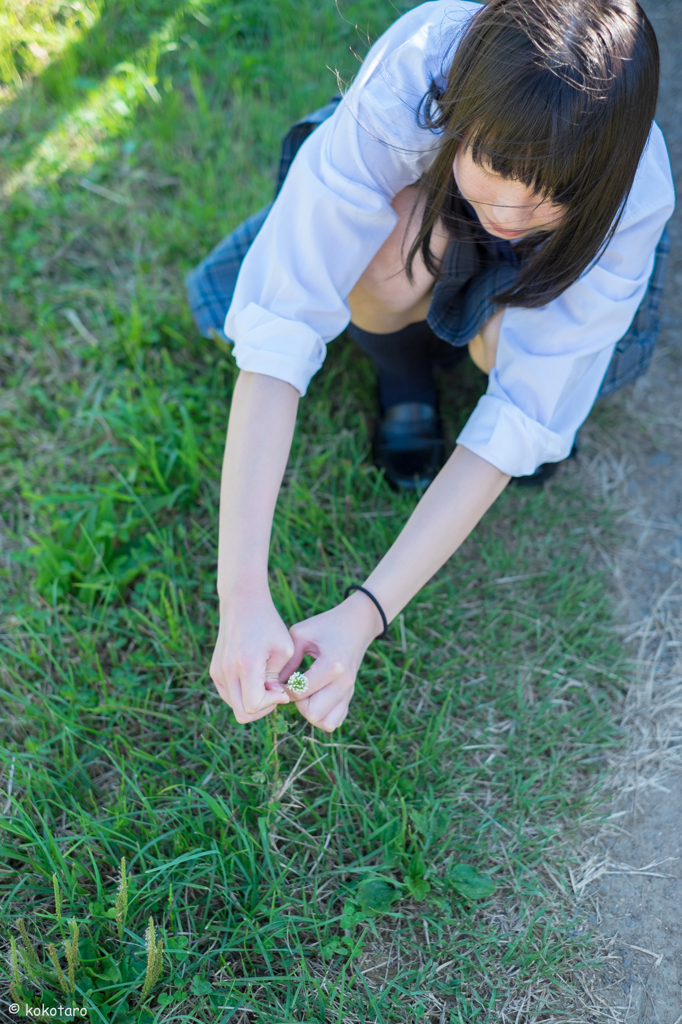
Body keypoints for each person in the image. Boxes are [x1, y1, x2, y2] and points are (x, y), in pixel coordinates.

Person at [187, 0, 674, 733]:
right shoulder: (416, 73)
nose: (509, 209)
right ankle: (401, 364)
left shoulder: (636, 191)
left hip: (544, 277)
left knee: (526, 425)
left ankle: (482, 342)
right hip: (426, 222)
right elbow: (286, 318)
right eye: (495, 169)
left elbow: (519, 416)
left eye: (550, 194)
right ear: (458, 111)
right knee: (391, 241)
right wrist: (243, 596)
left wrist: (365, 615)